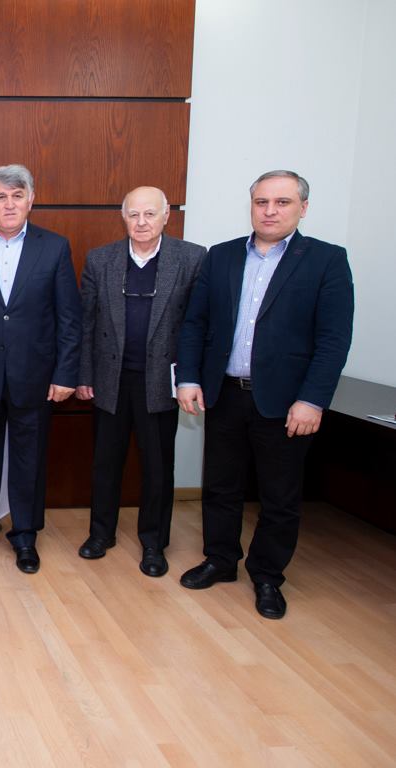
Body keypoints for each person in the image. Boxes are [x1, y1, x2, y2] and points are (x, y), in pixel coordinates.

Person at [176, 170, 353, 619]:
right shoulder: (222, 256)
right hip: (224, 394)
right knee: (220, 486)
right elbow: (196, 323)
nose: (270, 211)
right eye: (261, 202)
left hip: (286, 402)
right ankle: (220, 559)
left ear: (303, 208)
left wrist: (312, 400)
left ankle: (268, 576)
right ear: (251, 206)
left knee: (279, 496)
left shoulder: (327, 260)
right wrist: (188, 377)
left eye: (282, 202)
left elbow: (333, 340)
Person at [0, 164, 81, 573]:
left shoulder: (54, 247)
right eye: (1, 197)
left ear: (31, 200)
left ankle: (25, 536)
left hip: (36, 378)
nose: (9, 204)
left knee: (29, 461)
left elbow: (69, 317)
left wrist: (65, 374)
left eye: (17, 196)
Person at [75, 186, 206, 577]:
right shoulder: (101, 259)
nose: (142, 222)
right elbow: (86, 323)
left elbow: (199, 325)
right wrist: (84, 375)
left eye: (150, 214)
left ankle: (153, 544)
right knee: (105, 464)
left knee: (157, 468)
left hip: (160, 382)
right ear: (124, 217)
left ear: (167, 216)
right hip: (110, 380)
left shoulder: (192, 258)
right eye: (134, 214)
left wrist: (190, 378)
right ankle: (101, 534)